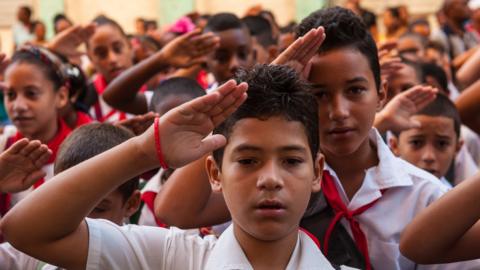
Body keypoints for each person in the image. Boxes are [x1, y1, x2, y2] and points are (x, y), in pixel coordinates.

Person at [0, 60, 348, 269]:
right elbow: (26, 229)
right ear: (214, 173)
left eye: (290, 160)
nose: (270, 179)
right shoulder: (168, 257)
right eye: (247, 160)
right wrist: (144, 151)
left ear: (317, 172)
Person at [0, 123, 141, 269]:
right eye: (65, 204)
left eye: (98, 208)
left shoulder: (144, 259)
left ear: (131, 203)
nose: (77, 219)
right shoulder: (35, 254)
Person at [389, 94, 465, 187]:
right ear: (394, 146)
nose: (429, 157)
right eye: (416, 143)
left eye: (442, 144)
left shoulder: (457, 199)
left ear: (457, 148)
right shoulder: (376, 195)